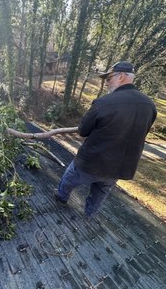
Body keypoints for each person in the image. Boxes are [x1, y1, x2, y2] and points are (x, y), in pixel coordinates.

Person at [55, 61, 157, 220]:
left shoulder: (104, 102)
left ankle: (60, 199)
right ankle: (89, 215)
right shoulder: (150, 105)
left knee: (68, 179)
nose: (106, 83)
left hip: (91, 162)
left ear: (121, 77)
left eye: (109, 78)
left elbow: (83, 131)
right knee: (100, 193)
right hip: (118, 169)